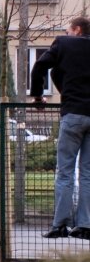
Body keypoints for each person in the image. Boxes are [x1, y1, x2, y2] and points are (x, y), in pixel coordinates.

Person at [30, 16, 90, 240]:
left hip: (73, 113)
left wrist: (37, 96)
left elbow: (39, 67)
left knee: (65, 172)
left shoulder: (64, 43)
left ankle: (61, 225)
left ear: (76, 30)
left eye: (68, 29)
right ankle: (85, 225)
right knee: (88, 173)